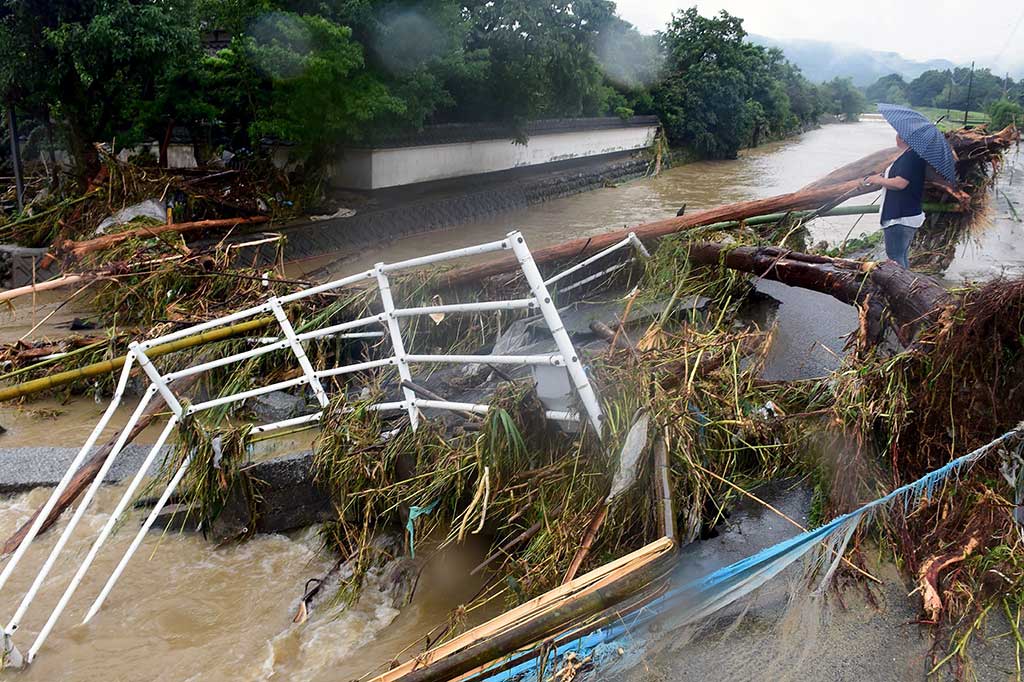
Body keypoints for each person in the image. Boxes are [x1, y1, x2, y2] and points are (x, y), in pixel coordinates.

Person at [863, 135, 927, 268]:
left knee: (895, 257)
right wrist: (882, 176)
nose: (896, 137)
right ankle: (908, 285)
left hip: (900, 216)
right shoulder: (911, 155)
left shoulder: (910, 157)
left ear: (904, 138)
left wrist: (878, 180)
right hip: (906, 214)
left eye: (898, 134)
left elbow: (900, 183)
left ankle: (901, 287)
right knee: (901, 255)